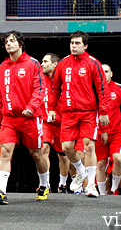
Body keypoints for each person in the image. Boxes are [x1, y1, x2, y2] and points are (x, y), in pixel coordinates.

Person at [48, 31, 110, 198]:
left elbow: (102, 88)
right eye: (72, 43)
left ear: (85, 45)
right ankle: (81, 171)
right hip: (68, 113)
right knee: (66, 147)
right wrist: (52, 108)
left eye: (77, 43)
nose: (74, 46)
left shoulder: (93, 63)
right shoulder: (62, 64)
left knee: (89, 146)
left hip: (88, 112)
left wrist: (103, 112)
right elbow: (54, 88)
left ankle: (91, 185)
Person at [0, 31, 48, 205]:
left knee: (36, 154)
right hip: (9, 119)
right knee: (5, 152)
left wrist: (32, 107)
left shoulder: (33, 64)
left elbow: (40, 89)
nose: (9, 44)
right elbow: (0, 93)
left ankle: (45, 185)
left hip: (30, 118)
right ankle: (1, 191)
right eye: (7, 41)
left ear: (20, 44)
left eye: (13, 41)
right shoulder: (2, 67)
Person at [95, 64, 121, 196]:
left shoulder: (119, 88)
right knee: (100, 163)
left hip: (116, 132)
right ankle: (102, 194)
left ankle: (114, 189)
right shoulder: (93, 89)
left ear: (111, 73)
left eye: (106, 71)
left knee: (118, 158)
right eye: (101, 71)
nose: (104, 74)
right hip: (99, 133)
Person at [39, 53, 70, 193]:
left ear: (55, 64)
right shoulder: (39, 79)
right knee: (43, 148)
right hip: (46, 122)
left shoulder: (64, 81)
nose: (42, 64)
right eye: (42, 61)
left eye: (45, 62)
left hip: (62, 123)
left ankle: (62, 184)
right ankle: (45, 184)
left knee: (63, 156)